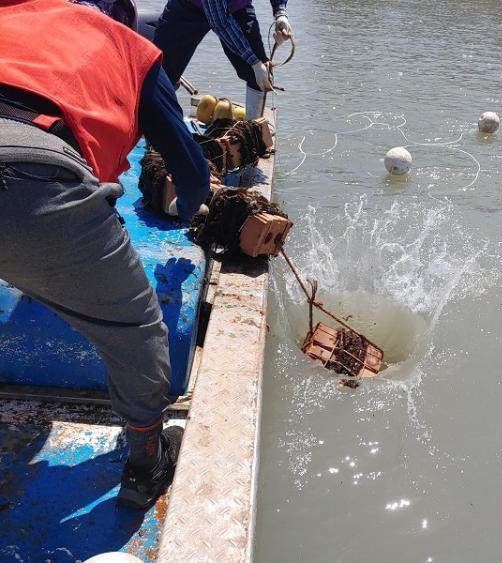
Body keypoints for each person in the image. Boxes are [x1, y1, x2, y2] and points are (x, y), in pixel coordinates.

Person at [0, 0, 211, 510]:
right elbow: (192, 174)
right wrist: (188, 209)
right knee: (136, 331)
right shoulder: (133, 51)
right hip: (33, 179)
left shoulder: (13, 13)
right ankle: (146, 462)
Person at [152, 0, 292, 119]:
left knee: (259, 77)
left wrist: (280, 12)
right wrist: (254, 62)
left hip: (237, 5)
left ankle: (254, 129)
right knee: (159, 73)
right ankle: (153, 128)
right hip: (188, 7)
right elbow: (220, 22)